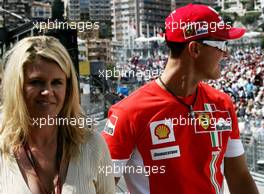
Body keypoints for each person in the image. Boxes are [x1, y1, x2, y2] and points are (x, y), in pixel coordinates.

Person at [102, 4, 259, 194]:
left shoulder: (222, 104)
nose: (226, 54)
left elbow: (240, 177)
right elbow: (100, 186)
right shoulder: (129, 113)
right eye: (222, 45)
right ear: (195, 49)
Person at [0, 36, 115, 194]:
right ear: (17, 87)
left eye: (56, 82)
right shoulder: (2, 149)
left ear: (68, 88)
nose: (47, 92)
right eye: (36, 82)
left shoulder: (93, 145)